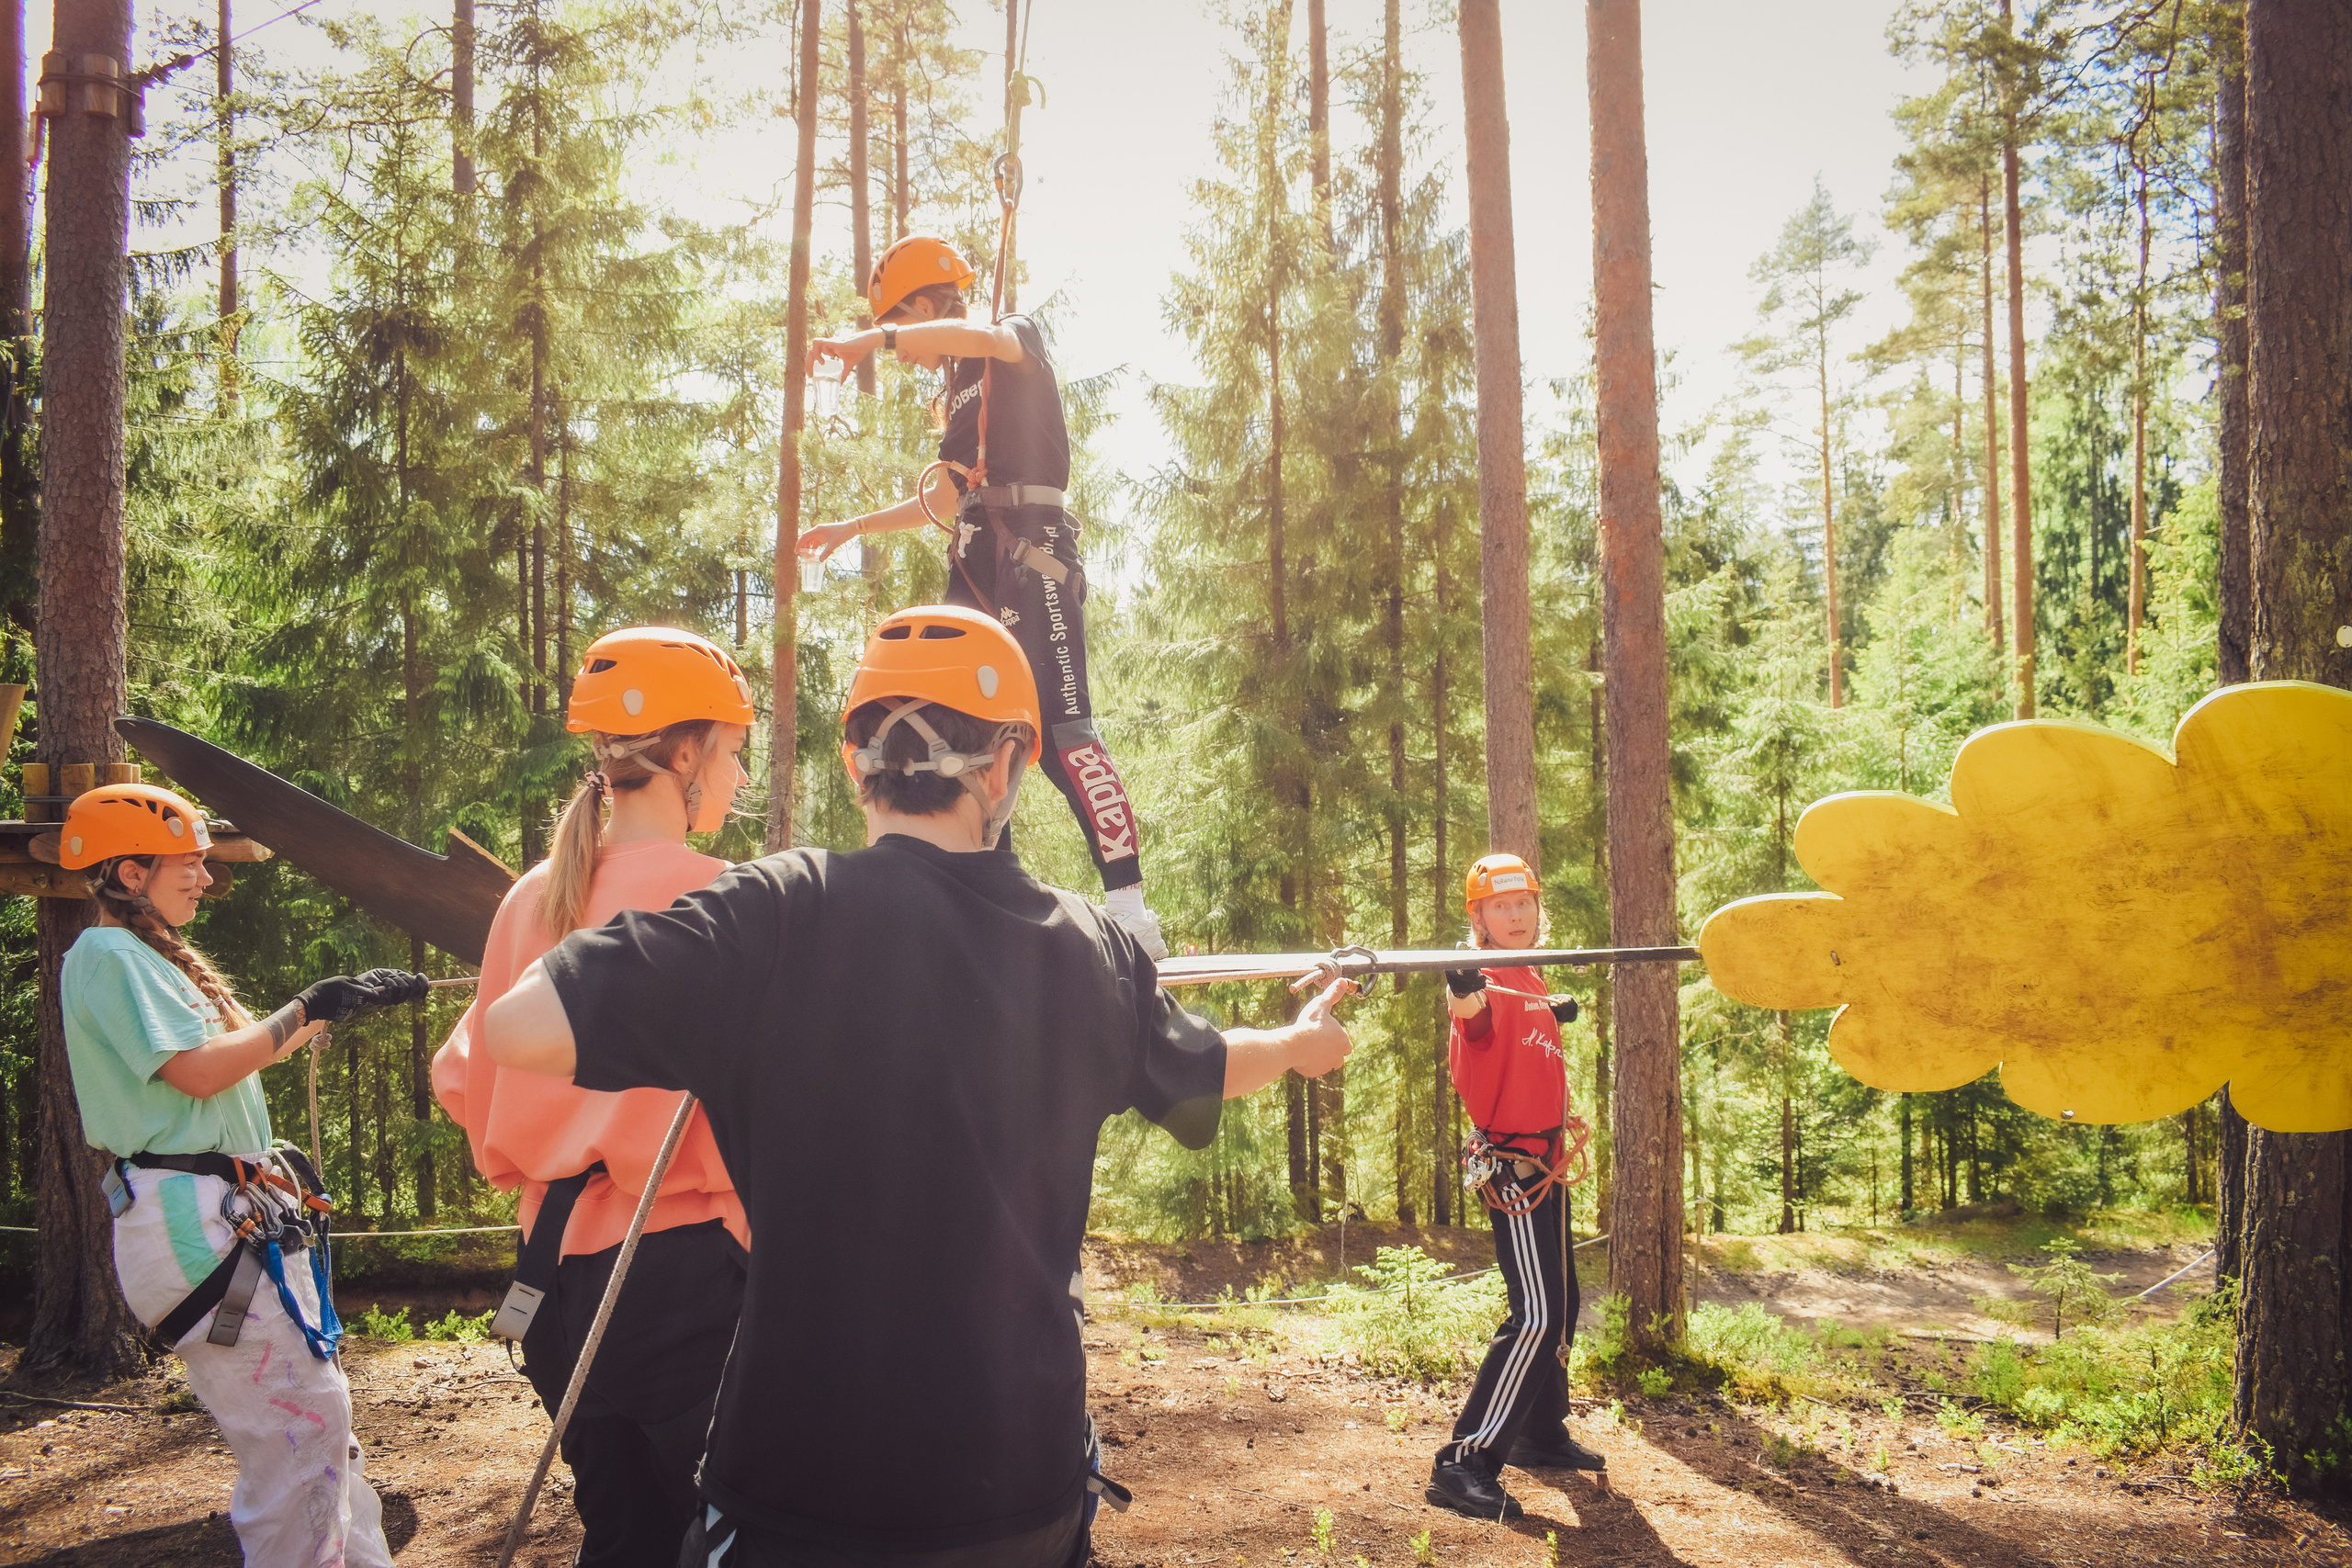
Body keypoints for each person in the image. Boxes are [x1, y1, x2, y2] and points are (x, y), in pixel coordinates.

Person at [481, 604, 1354, 1568]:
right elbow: (1209, 1073)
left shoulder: (774, 912)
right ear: (1008, 767)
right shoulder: (1086, 947)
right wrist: (1300, 1042)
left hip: (795, 1499)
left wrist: (667, 961)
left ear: (856, 766)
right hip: (1017, 1490)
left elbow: (516, 1029)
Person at [434, 626, 756, 1567]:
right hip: (690, 1275)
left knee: (625, 1532)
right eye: (733, 754)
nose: (738, 780)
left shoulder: (532, 898)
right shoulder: (725, 903)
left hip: (555, 1278)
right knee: (737, 1530)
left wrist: (566, 1140)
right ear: (685, 755)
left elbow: (464, 1078)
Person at [56, 781, 426, 1567]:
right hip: (194, 1221)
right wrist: (300, 1007)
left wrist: (337, 1004)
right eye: (185, 862)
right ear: (129, 873)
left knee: (320, 1423)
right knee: (300, 1425)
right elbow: (196, 1073)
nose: (202, 876)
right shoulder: (107, 953)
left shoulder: (144, 957)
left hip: (223, 1215)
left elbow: (229, 1061)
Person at [795, 235, 1167, 960]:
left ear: (926, 306)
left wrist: (874, 337)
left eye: (907, 329)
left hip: (1031, 548)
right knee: (957, 729)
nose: (906, 355)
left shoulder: (1008, 336)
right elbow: (943, 492)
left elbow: (982, 335)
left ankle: (1129, 907)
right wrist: (853, 528)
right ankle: (983, 883)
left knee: (1061, 734)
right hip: (975, 553)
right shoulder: (960, 397)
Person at [1427, 852, 1606, 1521]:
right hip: (1515, 1171)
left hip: (1548, 1164)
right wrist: (1463, 984)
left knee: (1561, 1305)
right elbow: (1471, 1016)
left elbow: (1519, 1037)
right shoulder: (1485, 979)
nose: (1515, 914)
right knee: (1535, 1313)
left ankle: (1538, 1429)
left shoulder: (1528, 978)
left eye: (1523, 903)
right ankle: (1463, 1462)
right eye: (1500, 906)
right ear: (1478, 917)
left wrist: (1550, 1012)